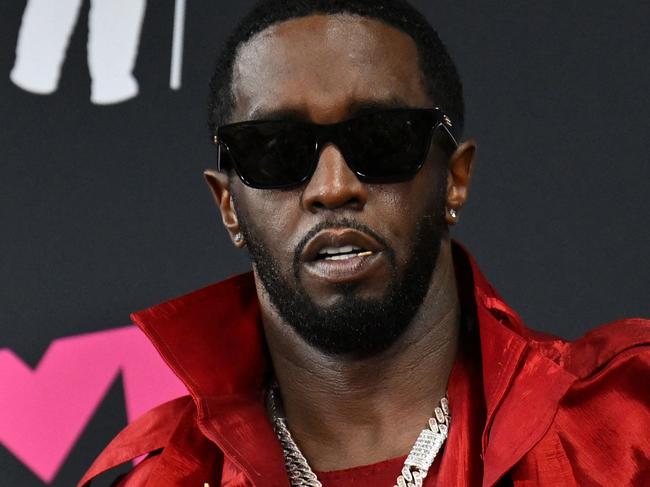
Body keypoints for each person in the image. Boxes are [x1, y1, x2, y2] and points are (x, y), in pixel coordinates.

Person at [79, 0, 650, 485]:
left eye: (380, 140)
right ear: (229, 205)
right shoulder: (168, 477)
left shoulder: (628, 425)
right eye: (276, 149)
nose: (333, 188)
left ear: (454, 178)